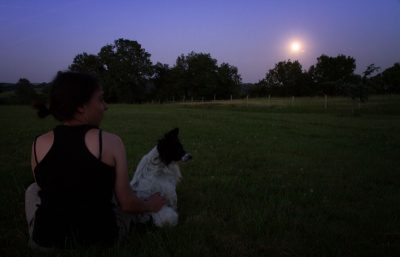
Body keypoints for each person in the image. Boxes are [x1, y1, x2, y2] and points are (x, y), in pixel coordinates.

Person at [25, 71, 166, 250]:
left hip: (46, 241)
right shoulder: (111, 142)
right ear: (81, 107)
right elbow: (127, 203)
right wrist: (149, 205)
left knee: (32, 189)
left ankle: (38, 233)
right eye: (100, 99)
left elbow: (44, 187)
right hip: (100, 241)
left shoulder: (38, 143)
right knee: (121, 198)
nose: (105, 106)